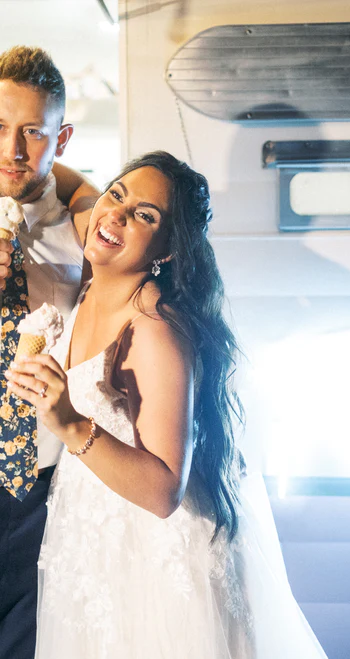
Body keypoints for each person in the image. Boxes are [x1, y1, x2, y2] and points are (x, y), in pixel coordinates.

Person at [6, 151, 327, 658]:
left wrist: (68, 423)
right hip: (90, 543)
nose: (117, 215)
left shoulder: (155, 329)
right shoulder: (92, 283)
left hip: (149, 559)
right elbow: (64, 180)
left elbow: (163, 491)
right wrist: (32, 154)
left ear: (167, 250)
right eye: (116, 196)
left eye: (145, 216)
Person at [0, 45, 99, 659]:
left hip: (41, 479)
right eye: (0, 128)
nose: (14, 149)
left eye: (33, 133)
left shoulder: (89, 230)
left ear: (60, 139)